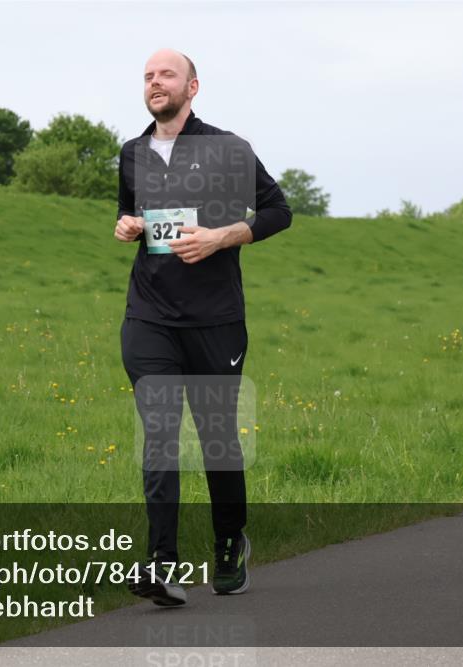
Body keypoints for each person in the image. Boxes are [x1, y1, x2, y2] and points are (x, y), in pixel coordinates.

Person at [116, 49, 292, 606]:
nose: (154, 82)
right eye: (147, 76)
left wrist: (221, 237)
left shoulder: (228, 148)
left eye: (166, 74)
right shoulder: (132, 153)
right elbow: (133, 215)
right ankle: (162, 564)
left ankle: (227, 542)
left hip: (215, 318)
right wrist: (128, 225)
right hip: (149, 314)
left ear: (193, 87)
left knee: (217, 441)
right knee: (160, 432)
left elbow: (277, 211)